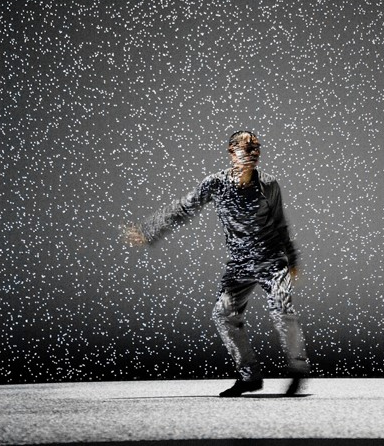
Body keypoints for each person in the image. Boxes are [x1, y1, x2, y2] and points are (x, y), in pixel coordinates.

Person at [123, 130, 310, 396]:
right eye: (247, 148)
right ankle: (249, 377)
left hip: (271, 260)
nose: (253, 153)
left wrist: (292, 259)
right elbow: (184, 208)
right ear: (232, 152)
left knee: (281, 308)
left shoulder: (269, 184)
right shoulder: (215, 184)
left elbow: (280, 224)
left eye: (256, 148)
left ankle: (298, 370)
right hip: (239, 264)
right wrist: (149, 230)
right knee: (223, 314)